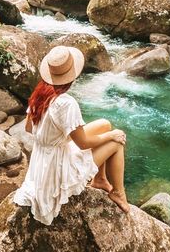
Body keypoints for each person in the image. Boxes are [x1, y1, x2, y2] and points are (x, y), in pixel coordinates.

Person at [13, 45, 129, 225]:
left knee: (104, 124)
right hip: (57, 167)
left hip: (44, 157)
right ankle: (118, 193)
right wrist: (111, 136)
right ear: (72, 75)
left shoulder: (40, 92)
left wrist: (56, 136)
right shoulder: (67, 103)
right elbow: (83, 144)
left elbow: (29, 128)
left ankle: (100, 179)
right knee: (116, 142)